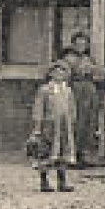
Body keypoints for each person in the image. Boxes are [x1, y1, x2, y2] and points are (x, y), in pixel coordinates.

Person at [29, 60, 78, 193]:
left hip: (64, 126)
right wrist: (38, 126)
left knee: (63, 152)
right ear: (51, 74)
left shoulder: (67, 90)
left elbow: (72, 108)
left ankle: (62, 182)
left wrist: (71, 122)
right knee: (45, 152)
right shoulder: (45, 90)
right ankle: (44, 182)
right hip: (49, 126)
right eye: (56, 72)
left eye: (62, 72)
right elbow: (38, 109)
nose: (59, 75)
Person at [62, 31, 101, 168]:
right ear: (73, 45)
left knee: (89, 124)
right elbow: (65, 76)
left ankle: (83, 154)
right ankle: (71, 156)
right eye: (78, 44)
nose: (81, 46)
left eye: (84, 44)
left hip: (89, 91)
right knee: (76, 122)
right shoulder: (68, 59)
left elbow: (96, 73)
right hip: (76, 91)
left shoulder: (89, 59)